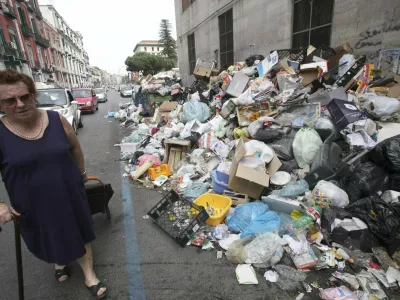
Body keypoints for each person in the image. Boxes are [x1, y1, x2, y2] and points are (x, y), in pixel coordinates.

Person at [0, 69, 107, 299]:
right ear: (1, 104)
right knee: (51, 236)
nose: (19, 104)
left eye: (25, 96)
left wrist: (81, 174)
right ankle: (60, 261)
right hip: (31, 203)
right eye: (10, 100)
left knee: (79, 231)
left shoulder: (56, 119)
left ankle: (89, 275)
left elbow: (75, 147)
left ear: (33, 95)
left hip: (69, 192)